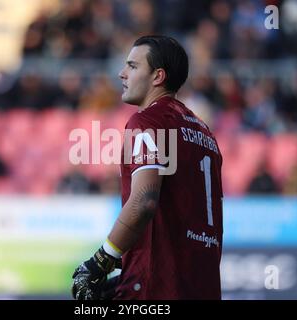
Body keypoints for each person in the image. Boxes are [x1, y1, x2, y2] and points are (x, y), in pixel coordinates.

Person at [71, 35, 224, 300]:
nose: (122, 73)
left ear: (157, 76)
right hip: (202, 285)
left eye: (132, 66)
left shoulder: (148, 121)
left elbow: (144, 201)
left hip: (157, 288)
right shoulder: (204, 132)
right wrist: (130, 266)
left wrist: (102, 259)